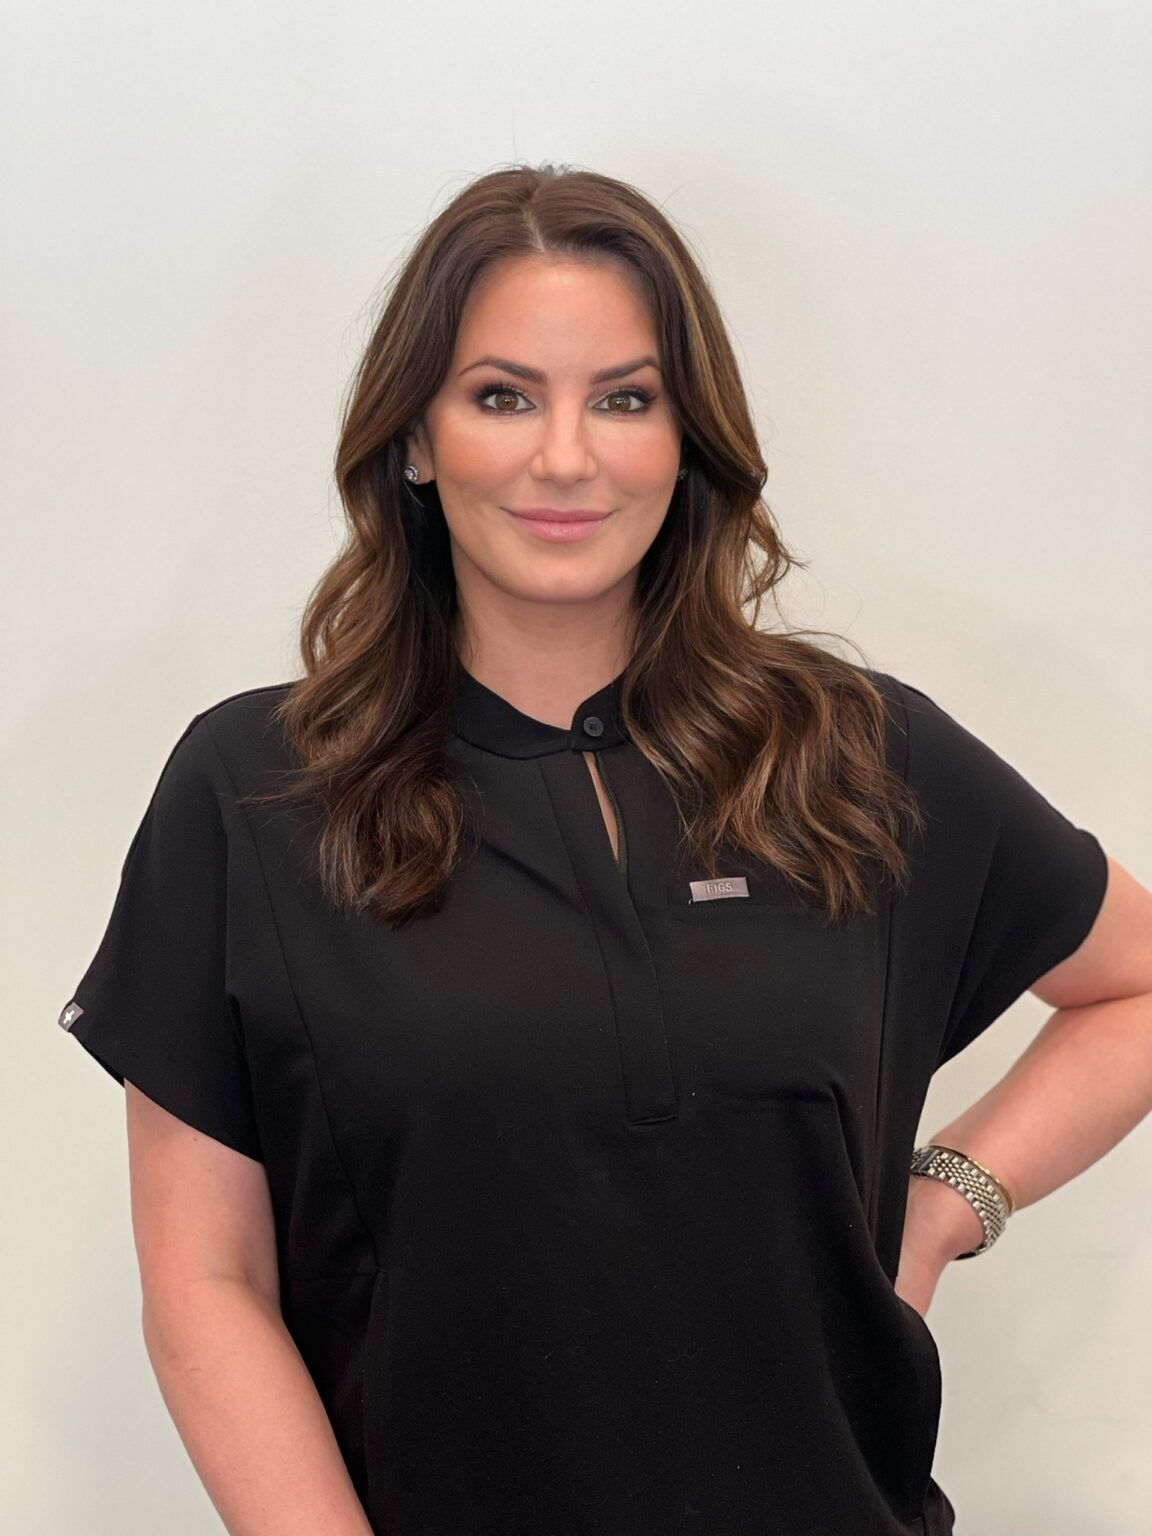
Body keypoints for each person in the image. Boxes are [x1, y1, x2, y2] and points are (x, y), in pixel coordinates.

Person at [59, 162, 1150, 1536]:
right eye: (502, 394)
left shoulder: (852, 753)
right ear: (413, 438)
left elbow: (1136, 980)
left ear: (687, 439)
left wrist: (946, 1202)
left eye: (624, 399)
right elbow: (205, 1282)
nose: (565, 457)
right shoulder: (260, 792)